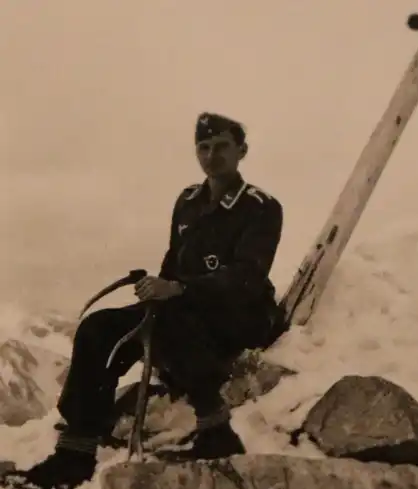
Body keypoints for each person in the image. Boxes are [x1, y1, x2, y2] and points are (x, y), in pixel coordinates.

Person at [3, 112, 285, 489]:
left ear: (241, 151)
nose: (211, 155)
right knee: (97, 327)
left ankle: (216, 431)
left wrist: (180, 289)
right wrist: (158, 286)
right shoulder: (188, 202)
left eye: (221, 147)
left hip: (240, 314)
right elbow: (175, 263)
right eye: (203, 147)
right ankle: (75, 451)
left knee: (170, 318)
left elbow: (247, 276)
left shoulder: (261, 207)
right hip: (185, 309)